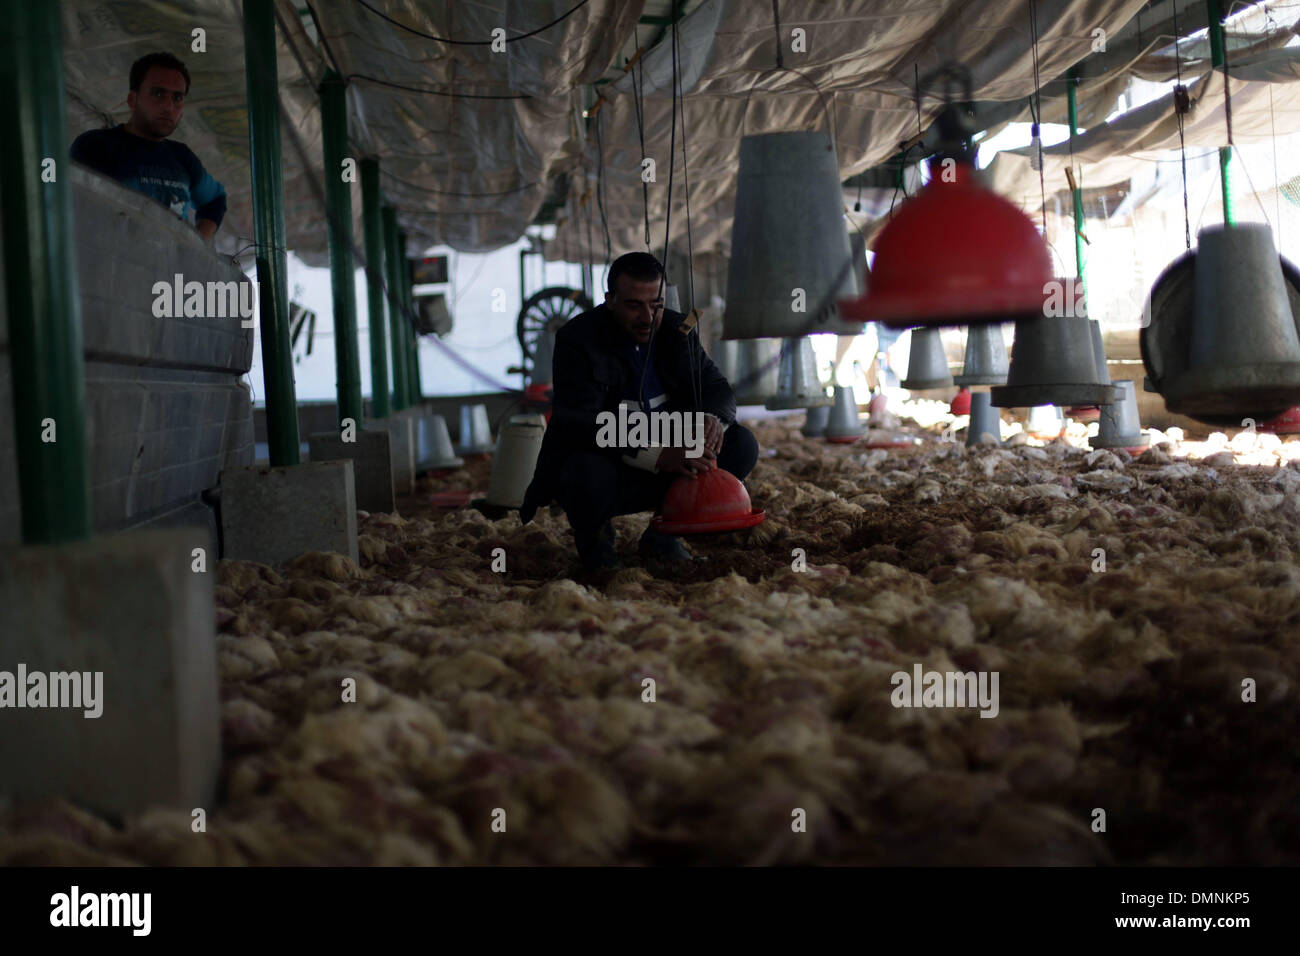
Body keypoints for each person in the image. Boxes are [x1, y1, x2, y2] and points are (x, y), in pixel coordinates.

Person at [520, 252, 760, 570]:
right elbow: (578, 421)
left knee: (740, 444)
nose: (647, 317)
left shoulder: (677, 330)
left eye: (656, 305)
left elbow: (716, 388)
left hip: (674, 461)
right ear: (610, 300)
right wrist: (657, 453)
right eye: (634, 305)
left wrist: (711, 419)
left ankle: (664, 534)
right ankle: (596, 544)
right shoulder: (578, 339)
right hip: (613, 465)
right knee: (581, 469)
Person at [70, 52, 227, 240]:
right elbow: (73, 208)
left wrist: (196, 247)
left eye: (177, 98)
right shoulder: (95, 146)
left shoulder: (182, 157)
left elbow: (215, 201)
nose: (168, 107)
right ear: (132, 99)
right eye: (158, 93)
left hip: (170, 268)